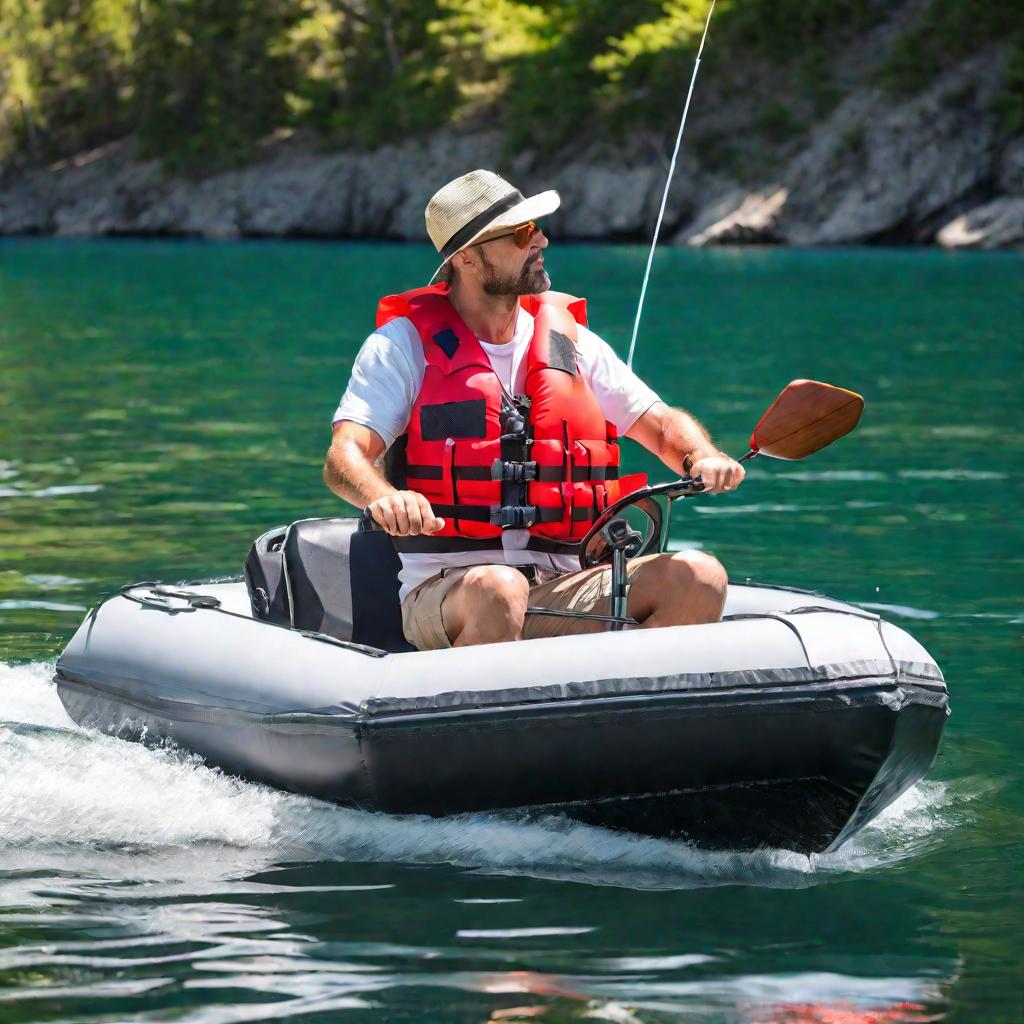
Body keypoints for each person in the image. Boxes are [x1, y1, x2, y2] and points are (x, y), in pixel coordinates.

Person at [324, 169, 745, 650]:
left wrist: (700, 456)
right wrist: (381, 495)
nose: (541, 239)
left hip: (563, 586)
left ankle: (619, 708)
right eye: (522, 233)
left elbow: (663, 425)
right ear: (466, 258)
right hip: (449, 592)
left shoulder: (571, 344)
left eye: (538, 228)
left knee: (699, 575)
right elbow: (345, 458)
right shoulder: (400, 347)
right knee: (500, 589)